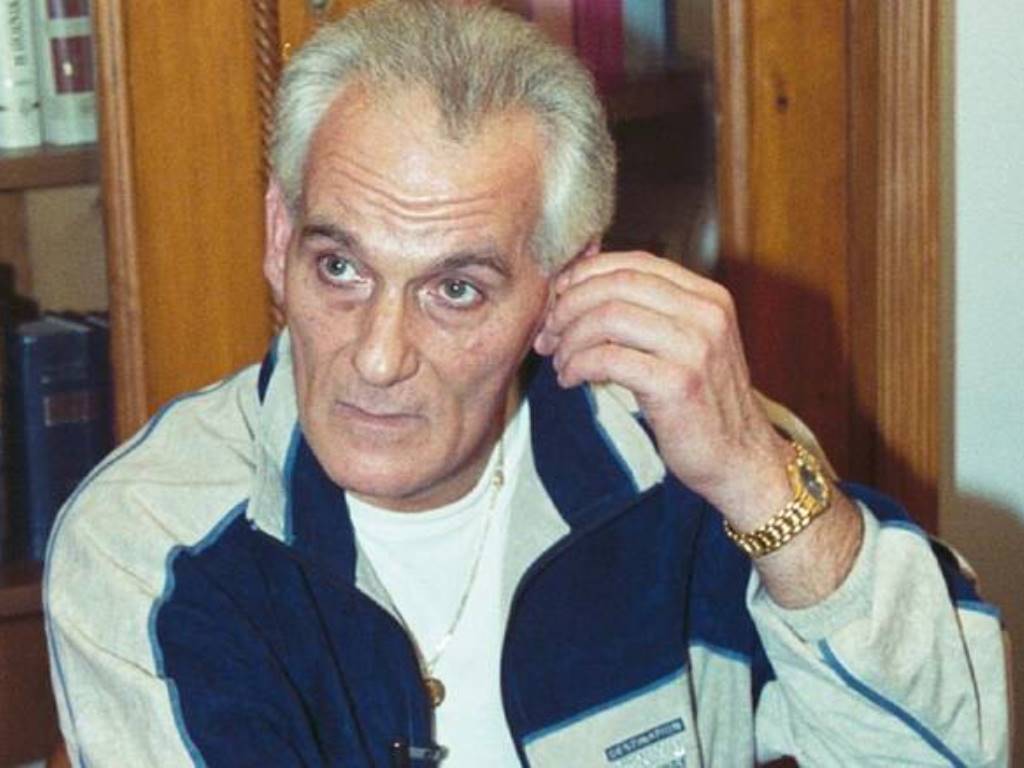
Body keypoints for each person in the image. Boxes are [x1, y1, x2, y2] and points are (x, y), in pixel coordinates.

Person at [45, 1, 1009, 766]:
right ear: (278, 239)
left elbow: (951, 749)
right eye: (340, 268)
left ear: (565, 284)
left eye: (455, 289)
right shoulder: (152, 543)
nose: (377, 356)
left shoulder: (683, 464)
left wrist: (756, 476)